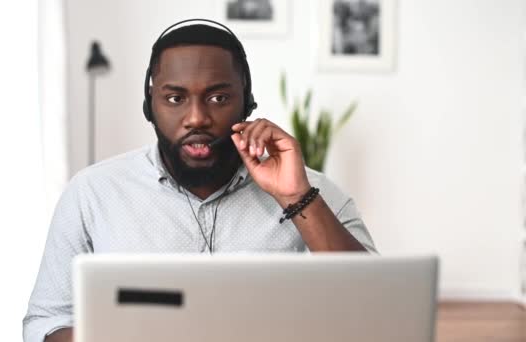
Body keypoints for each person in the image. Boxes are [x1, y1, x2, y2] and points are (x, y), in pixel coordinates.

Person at [23, 19, 376, 342]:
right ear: (150, 105)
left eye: (218, 98)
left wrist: (296, 196)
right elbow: (46, 323)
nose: (196, 118)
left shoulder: (315, 194)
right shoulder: (92, 194)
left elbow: (376, 312)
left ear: (247, 103)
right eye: (175, 98)